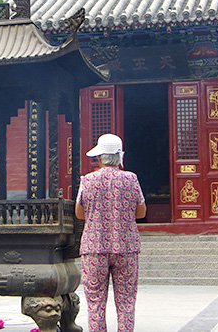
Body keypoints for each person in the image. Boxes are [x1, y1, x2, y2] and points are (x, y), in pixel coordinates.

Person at [75, 133, 146, 332]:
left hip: (94, 247)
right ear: (119, 157)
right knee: (126, 302)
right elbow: (141, 212)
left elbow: (80, 214)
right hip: (126, 247)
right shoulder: (131, 179)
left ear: (100, 158)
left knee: (95, 303)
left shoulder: (88, 180)